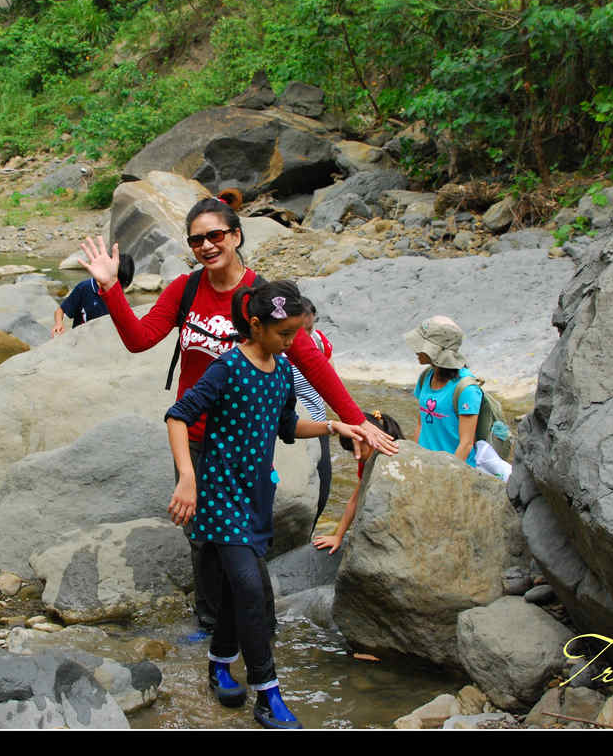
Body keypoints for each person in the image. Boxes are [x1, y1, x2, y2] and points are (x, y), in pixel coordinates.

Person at [77, 194, 398, 634]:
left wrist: (356, 418)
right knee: (201, 536)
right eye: (196, 240)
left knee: (244, 538)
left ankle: (252, 625)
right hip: (194, 436)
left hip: (245, 442)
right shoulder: (185, 289)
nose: (206, 246)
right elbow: (140, 339)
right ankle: (212, 625)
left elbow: (310, 360)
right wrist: (111, 288)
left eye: (215, 235)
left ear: (236, 236)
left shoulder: (262, 299)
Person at [166, 279, 361, 729]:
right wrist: (188, 478)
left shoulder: (283, 370)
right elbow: (178, 416)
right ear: (255, 325)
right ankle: (267, 694)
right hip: (219, 496)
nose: (291, 342)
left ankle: (219, 663)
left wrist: (334, 427)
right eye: (284, 333)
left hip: (256, 496)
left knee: (239, 589)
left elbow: (287, 425)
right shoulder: (228, 366)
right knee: (252, 590)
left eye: (296, 334)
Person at [312, 410, 403, 555]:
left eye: (360, 449)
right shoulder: (366, 461)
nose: (356, 456)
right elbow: (354, 500)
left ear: (372, 439)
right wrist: (338, 536)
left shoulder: (393, 457)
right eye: (352, 451)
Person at [404, 315, 483, 468]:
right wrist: (415, 462)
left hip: (452, 470)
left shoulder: (467, 389)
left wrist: (446, 476)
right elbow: (420, 425)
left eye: (422, 345)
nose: (415, 350)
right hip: (426, 465)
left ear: (437, 350)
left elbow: (466, 444)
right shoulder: (426, 376)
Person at [288, 296, 336, 532]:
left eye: (311, 328)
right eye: (302, 331)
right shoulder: (278, 350)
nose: (308, 335)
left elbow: (330, 381)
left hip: (318, 426)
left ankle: (307, 537)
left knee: (322, 488)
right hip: (288, 431)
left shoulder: (318, 341)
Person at [52, 253, 135, 336]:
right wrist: (59, 324)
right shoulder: (84, 288)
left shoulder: (119, 294)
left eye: (121, 287)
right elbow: (60, 310)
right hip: (82, 337)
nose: (117, 289)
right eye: (116, 285)